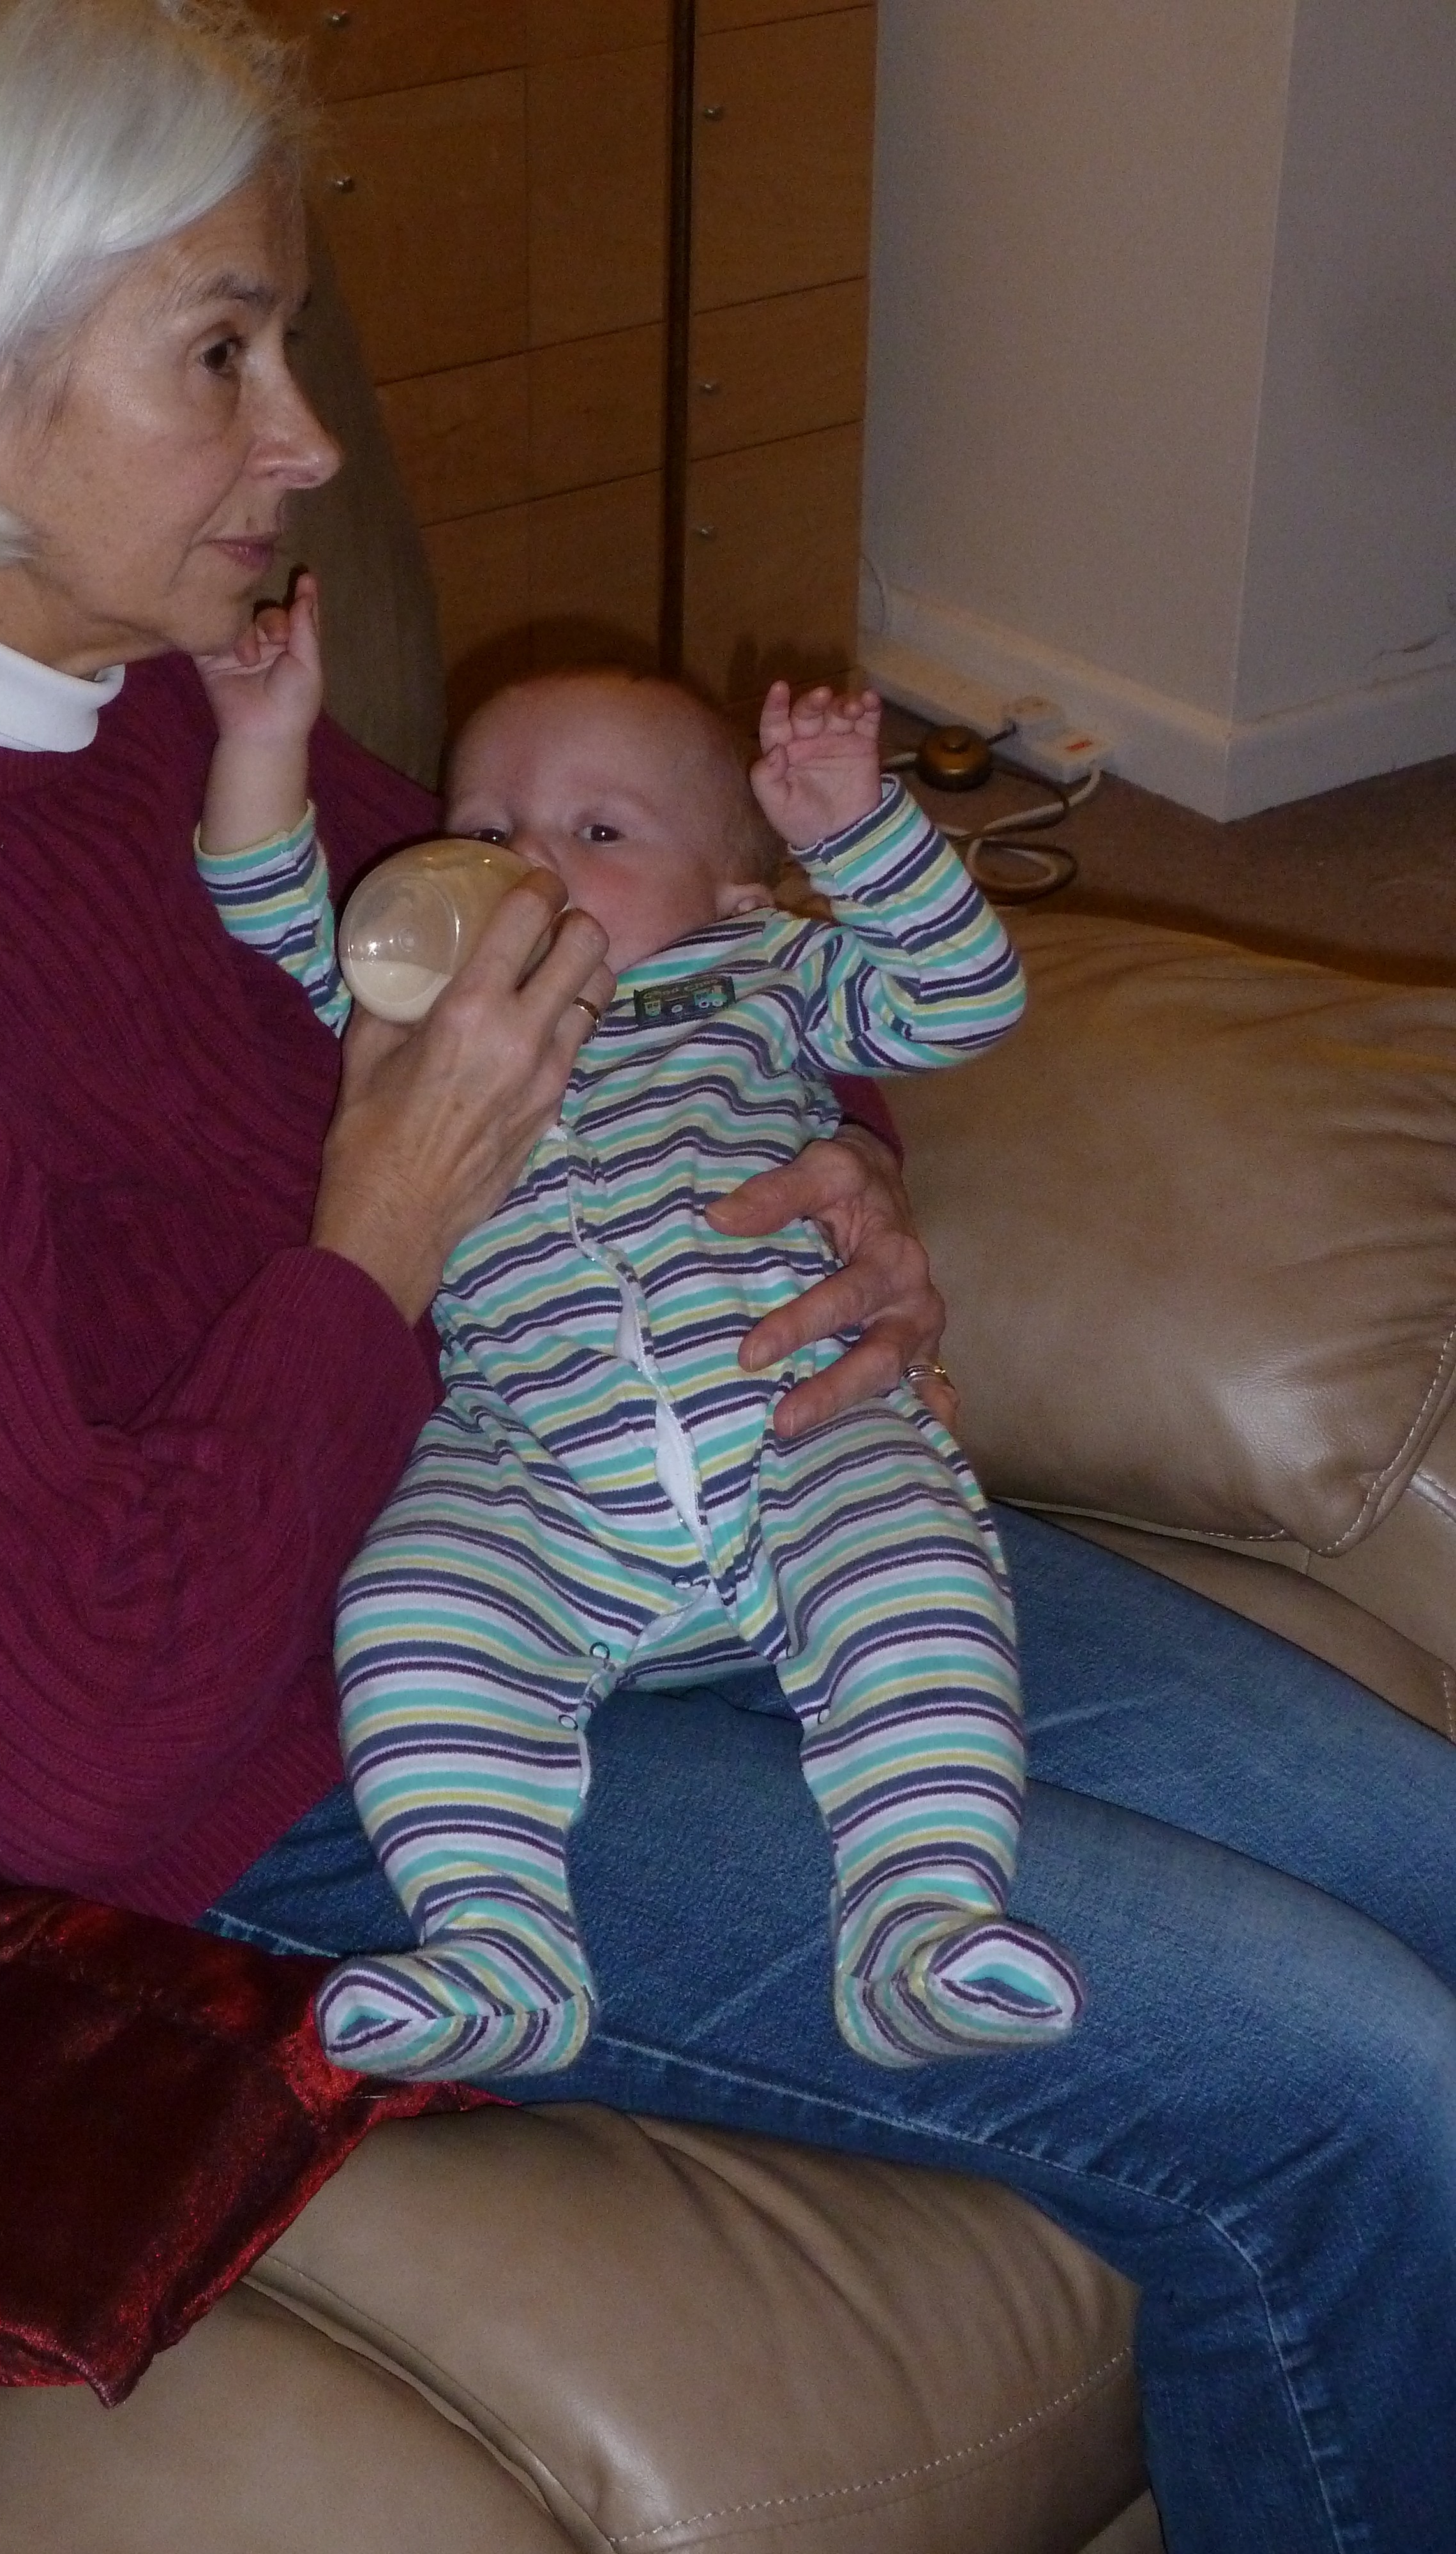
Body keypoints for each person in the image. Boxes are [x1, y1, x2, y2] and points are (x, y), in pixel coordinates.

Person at [0, 0, 1448, 2544]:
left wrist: (827, 1170)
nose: (310, 438)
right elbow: (67, 1759)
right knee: (1341, 2087)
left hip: (618, 1458)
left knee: (1427, 1850)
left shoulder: (122, 676)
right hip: (307, 1733)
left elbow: (616, 947)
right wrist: (386, 1227)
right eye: (220, 352)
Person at [194, 597, 1080, 2079]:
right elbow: (267, 913)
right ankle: (496, 1948)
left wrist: (858, 832)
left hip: (792, 1425)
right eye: (485, 827)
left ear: (734, 891)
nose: (528, 865)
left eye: (598, 831)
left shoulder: (765, 972)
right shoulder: (417, 1015)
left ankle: (920, 1920)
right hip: (531, 1465)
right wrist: (261, 737)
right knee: (411, 1609)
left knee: (913, 1569)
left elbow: (962, 998)